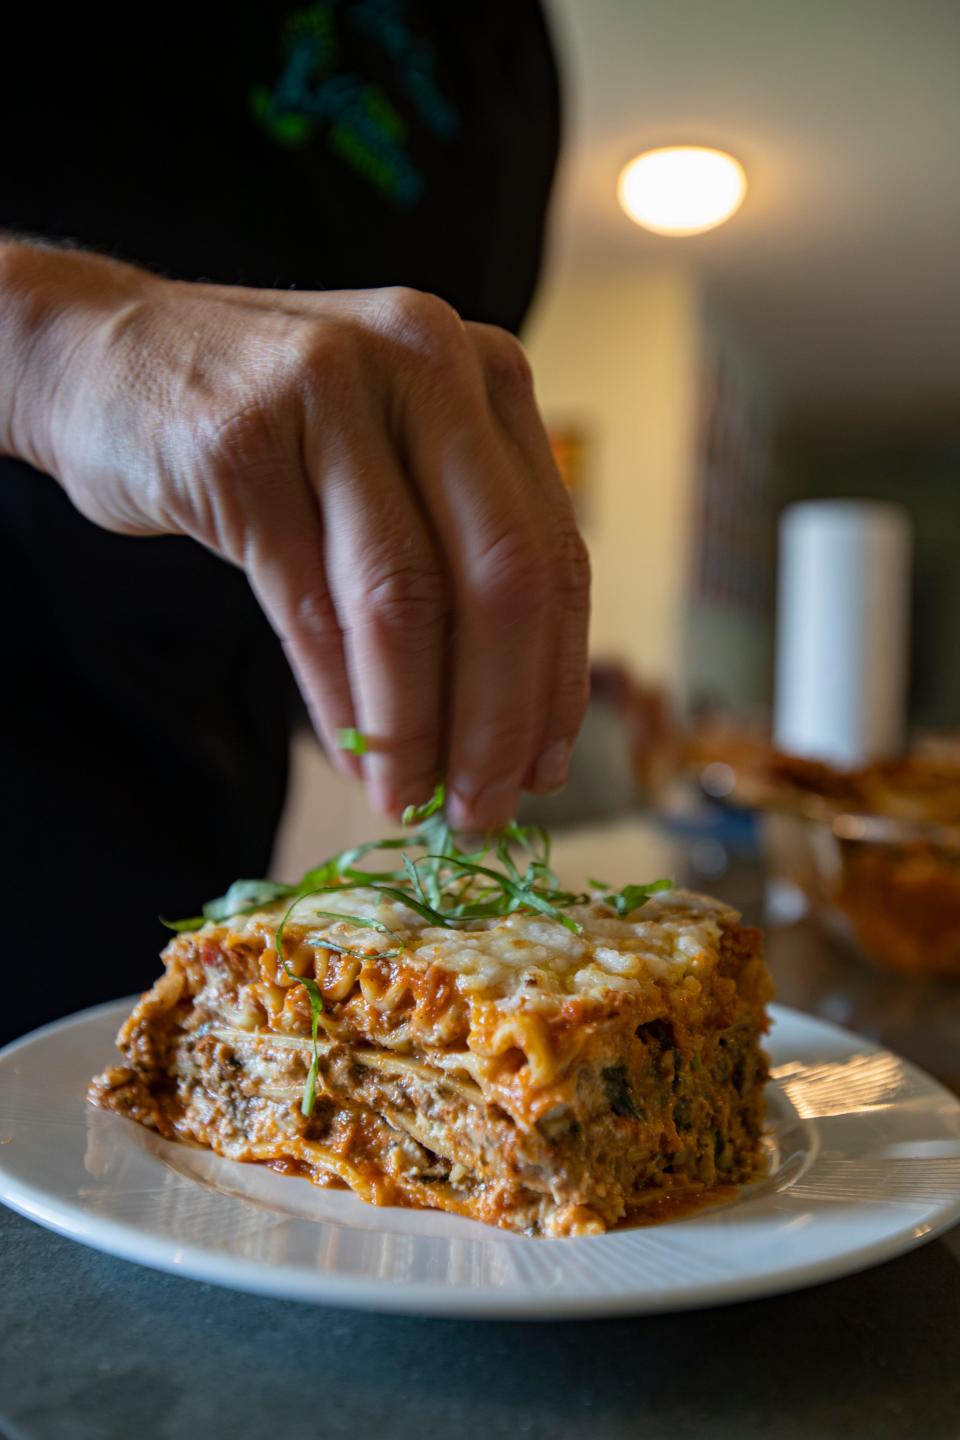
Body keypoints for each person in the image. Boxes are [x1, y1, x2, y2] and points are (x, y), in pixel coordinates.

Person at [0, 2, 590, 1042]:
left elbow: (344, 545)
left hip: (162, 922)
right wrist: (47, 344)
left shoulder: (511, 70)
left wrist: (446, 658)